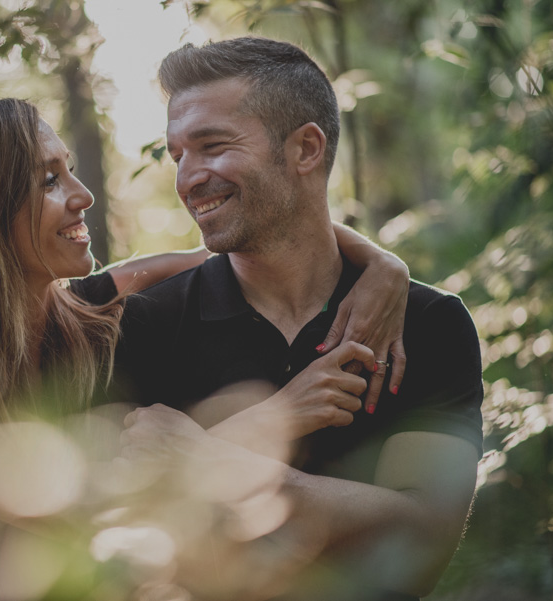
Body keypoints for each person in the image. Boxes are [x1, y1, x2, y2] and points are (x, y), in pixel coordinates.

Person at [0, 97, 411, 599]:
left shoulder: (94, 308)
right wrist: (278, 416)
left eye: (69, 171)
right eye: (48, 181)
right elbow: (91, 525)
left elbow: (257, 243)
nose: (82, 196)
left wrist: (384, 267)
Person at [113, 37, 484, 601]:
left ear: (306, 149)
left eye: (211, 146)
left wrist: (210, 460)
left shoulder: (430, 324)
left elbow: (424, 535)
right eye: (177, 155)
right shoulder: (144, 327)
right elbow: (124, 537)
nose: (187, 179)